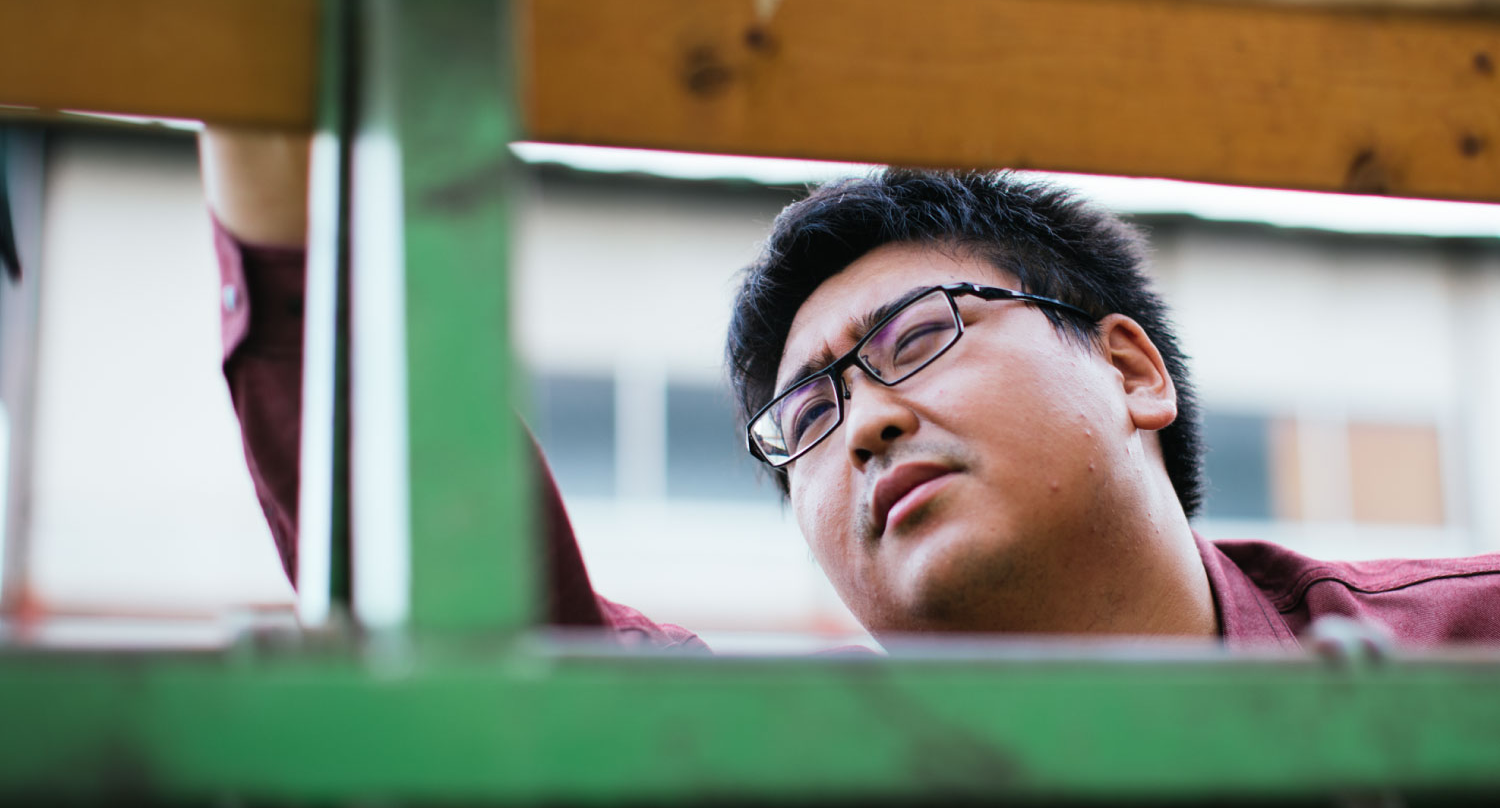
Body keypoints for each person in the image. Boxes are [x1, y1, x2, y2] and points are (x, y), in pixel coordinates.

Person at [203, 128, 1500, 650]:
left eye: (921, 335)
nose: (868, 422)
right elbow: (484, 616)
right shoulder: (765, 763)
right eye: (807, 418)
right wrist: (263, 142)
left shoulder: (1464, 649)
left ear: (1130, 370)